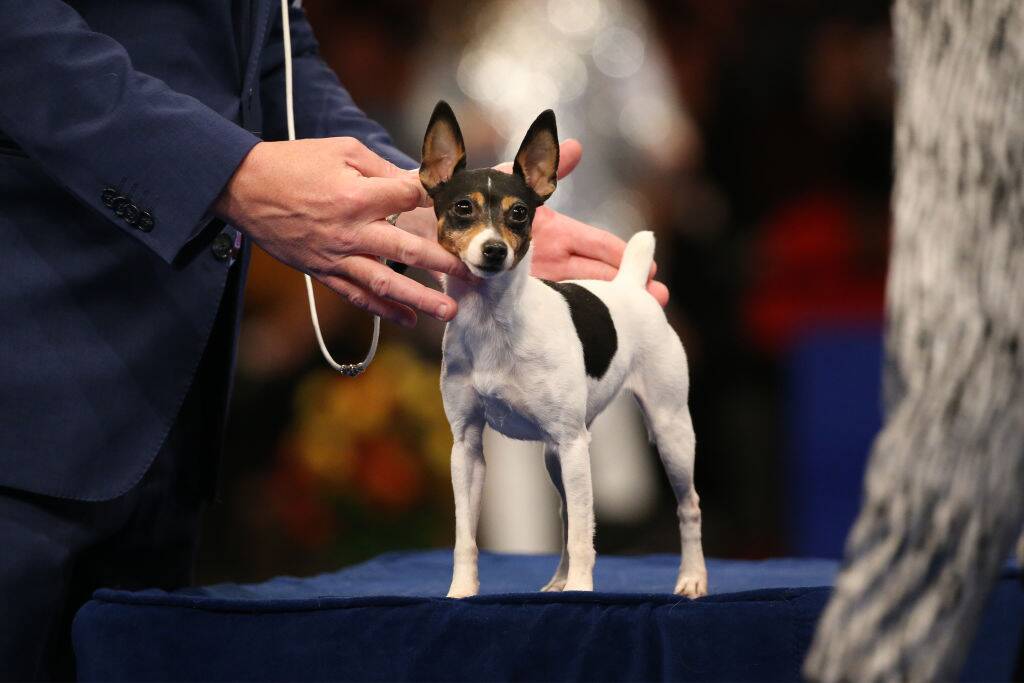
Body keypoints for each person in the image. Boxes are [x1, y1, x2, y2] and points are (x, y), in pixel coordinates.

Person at [0, 1, 667, 679]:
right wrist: (229, 173)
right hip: (25, 382)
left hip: (168, 417)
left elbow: (277, 61)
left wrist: (429, 211)